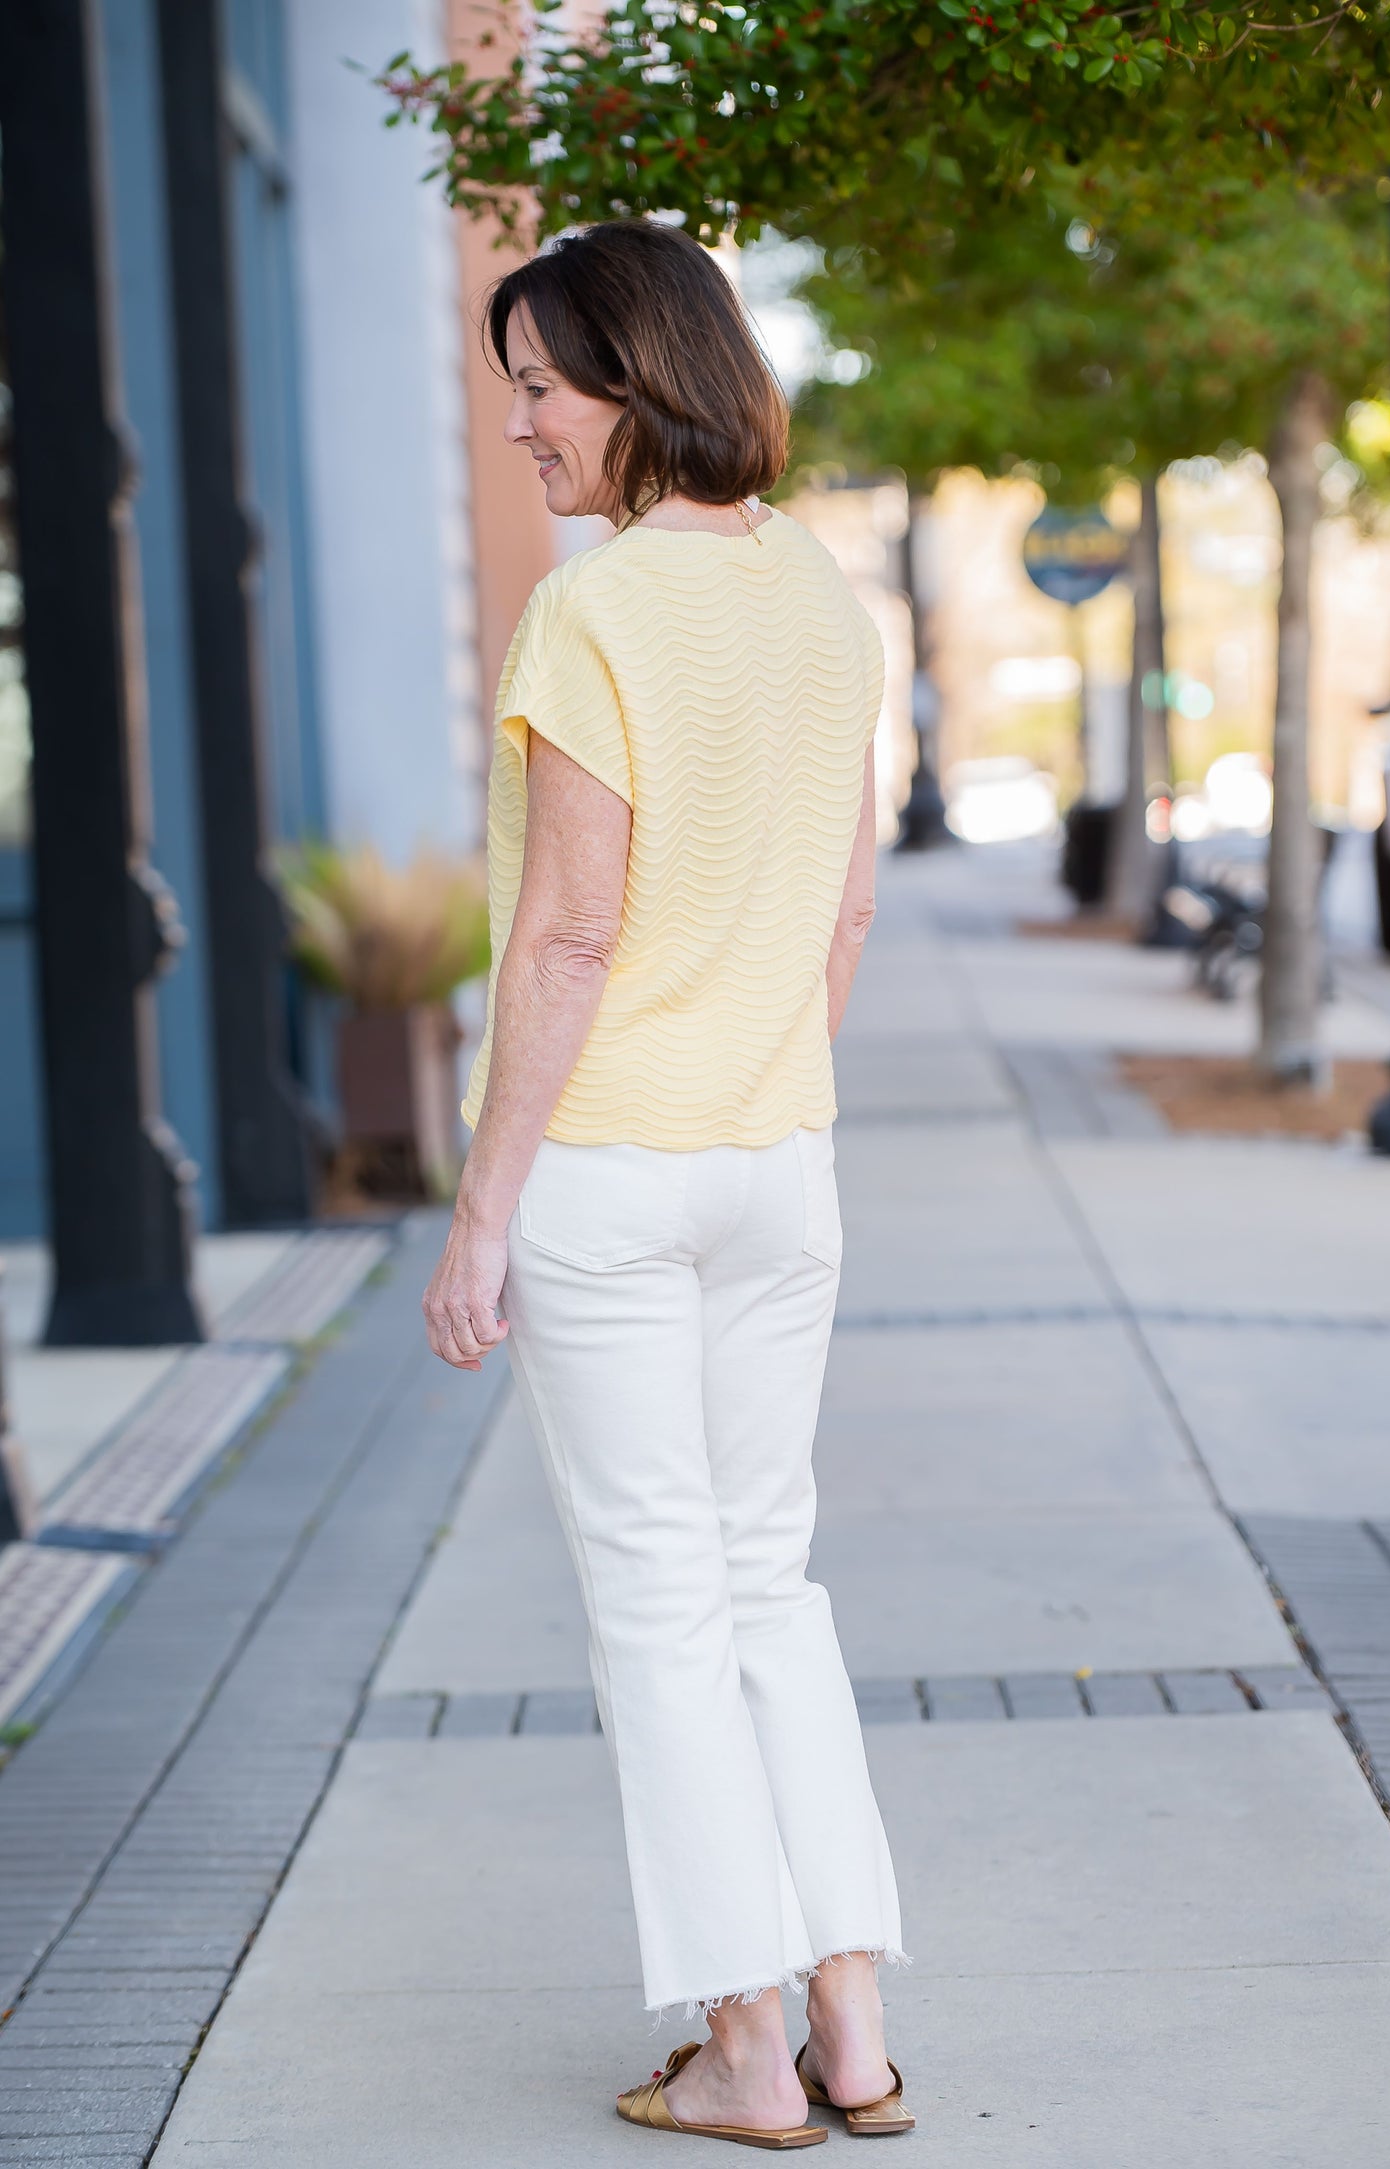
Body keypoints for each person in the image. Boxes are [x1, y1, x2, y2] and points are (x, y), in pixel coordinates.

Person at [423, 218, 912, 2150]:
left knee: (659, 1607)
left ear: (640, 380)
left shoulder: (595, 613)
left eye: (542, 386)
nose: (522, 425)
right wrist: (766, 1079)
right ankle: (851, 2027)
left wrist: (481, 1211)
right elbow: (844, 911)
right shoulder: (821, 599)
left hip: (611, 1167)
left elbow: (565, 937)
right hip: (776, 1160)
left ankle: (742, 2049)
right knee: (766, 1582)